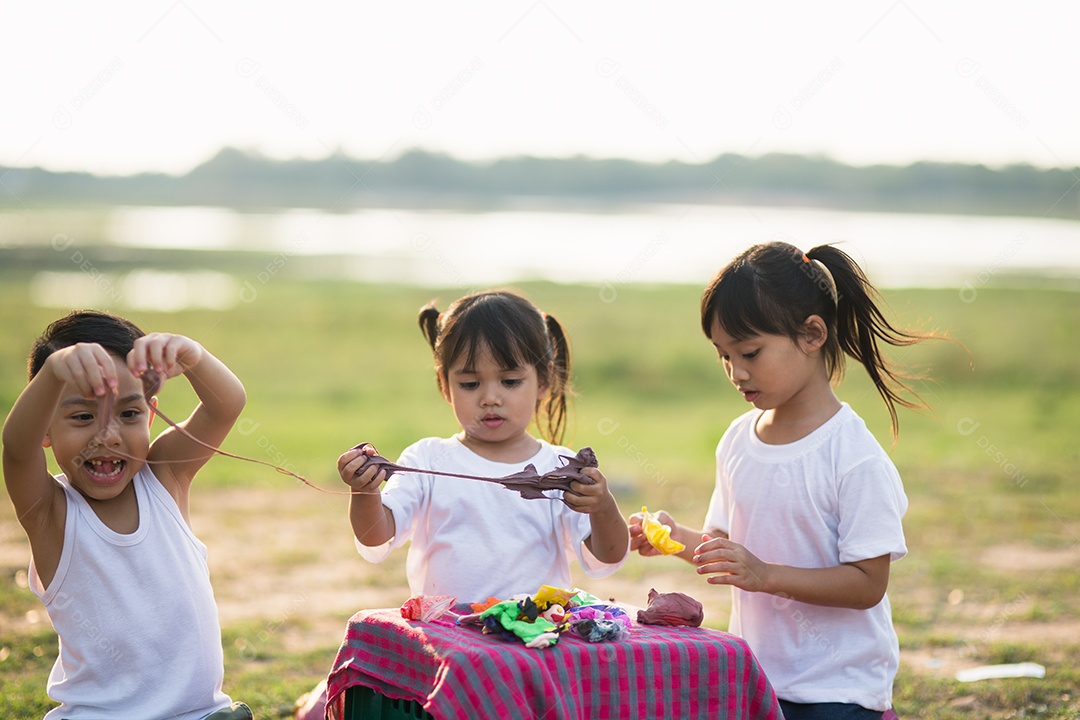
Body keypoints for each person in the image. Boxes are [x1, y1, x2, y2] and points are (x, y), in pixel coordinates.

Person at [629, 242, 938, 720]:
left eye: (750, 352)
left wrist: (766, 575)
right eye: (723, 356)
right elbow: (726, 548)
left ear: (812, 334)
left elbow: (867, 584)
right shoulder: (737, 440)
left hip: (839, 691)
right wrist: (674, 538)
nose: (736, 372)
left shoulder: (853, 457)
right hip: (758, 681)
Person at [293, 290, 629, 720]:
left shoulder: (559, 469)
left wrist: (603, 507)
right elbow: (377, 536)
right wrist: (365, 492)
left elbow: (608, 556)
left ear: (544, 381)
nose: (490, 397)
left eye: (510, 381)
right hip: (447, 645)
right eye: (470, 384)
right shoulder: (427, 459)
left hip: (533, 643)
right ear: (444, 385)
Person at [2, 310, 252, 720]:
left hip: (201, 714)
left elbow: (227, 406)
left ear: (150, 415)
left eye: (128, 414)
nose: (108, 435)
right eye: (83, 416)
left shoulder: (165, 476)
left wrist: (192, 356)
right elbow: (16, 448)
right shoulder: (50, 514)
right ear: (45, 428)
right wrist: (54, 372)